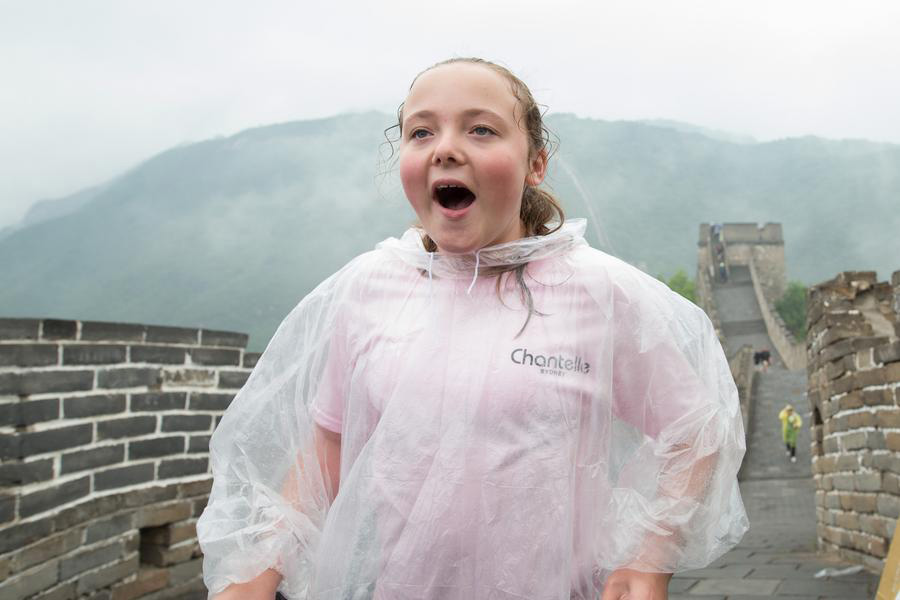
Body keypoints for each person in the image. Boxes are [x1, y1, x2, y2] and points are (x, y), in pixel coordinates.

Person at [197, 58, 748, 600]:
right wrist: (261, 565)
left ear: (536, 163)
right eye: (421, 132)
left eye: (481, 129)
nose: (446, 147)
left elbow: (697, 428)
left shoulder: (599, 293)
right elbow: (329, 445)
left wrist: (649, 554)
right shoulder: (371, 288)